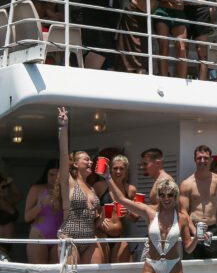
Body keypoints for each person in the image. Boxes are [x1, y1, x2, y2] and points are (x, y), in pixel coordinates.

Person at [57, 107, 105, 264]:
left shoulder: (92, 188)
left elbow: (95, 221)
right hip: (70, 238)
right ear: (75, 164)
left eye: (90, 159)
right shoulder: (69, 182)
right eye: (86, 159)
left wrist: (103, 215)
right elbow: (63, 155)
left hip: (90, 239)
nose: (90, 162)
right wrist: (63, 128)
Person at [179, 144, 217, 259]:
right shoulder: (187, 184)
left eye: (206, 158)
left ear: (211, 160)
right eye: (199, 158)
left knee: (212, 266)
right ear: (194, 160)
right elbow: (183, 212)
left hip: (212, 229)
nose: (202, 161)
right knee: (191, 267)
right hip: (193, 229)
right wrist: (196, 232)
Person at [93, 154, 138, 262]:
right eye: (115, 168)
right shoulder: (100, 186)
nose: (118, 172)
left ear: (126, 171)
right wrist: (99, 219)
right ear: (110, 169)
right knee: (101, 270)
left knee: (120, 271)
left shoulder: (130, 189)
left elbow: (136, 218)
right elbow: (90, 208)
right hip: (101, 234)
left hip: (120, 237)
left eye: (121, 168)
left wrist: (128, 213)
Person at [24, 160, 64, 264]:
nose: (54, 178)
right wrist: (41, 205)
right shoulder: (37, 189)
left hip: (58, 239)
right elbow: (27, 217)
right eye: (51, 174)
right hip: (39, 236)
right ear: (46, 174)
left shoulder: (66, 191)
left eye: (58, 174)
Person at [0, 172, 21, 259]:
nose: (5, 189)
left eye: (6, 187)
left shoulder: (8, 201)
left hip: (8, 245)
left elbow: (19, 196)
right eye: (3, 187)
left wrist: (9, 182)